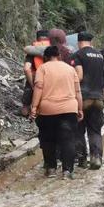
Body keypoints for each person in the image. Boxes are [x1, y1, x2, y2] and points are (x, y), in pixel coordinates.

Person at [30, 46, 83, 179]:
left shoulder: (42, 68)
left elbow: (39, 87)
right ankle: (67, 171)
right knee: (68, 140)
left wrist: (34, 107)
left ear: (45, 58)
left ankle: (51, 169)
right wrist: (80, 109)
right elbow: (78, 92)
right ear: (59, 55)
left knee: (48, 140)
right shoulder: (70, 69)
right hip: (69, 109)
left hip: (47, 110)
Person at [72, 32, 104, 170]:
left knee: (79, 130)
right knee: (95, 130)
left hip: (83, 98)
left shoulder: (78, 55)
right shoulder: (99, 55)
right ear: (90, 42)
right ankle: (96, 158)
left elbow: (79, 76)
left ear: (79, 42)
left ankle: (81, 159)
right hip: (98, 98)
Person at [22, 30, 50, 117]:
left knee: (32, 77)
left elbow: (27, 69)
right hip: (49, 79)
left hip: (36, 78)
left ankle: (26, 110)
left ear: (37, 39)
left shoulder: (32, 50)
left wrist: (32, 85)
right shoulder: (55, 50)